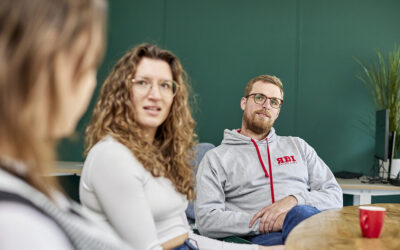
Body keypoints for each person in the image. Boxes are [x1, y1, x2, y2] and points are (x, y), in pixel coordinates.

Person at [80, 44, 284, 250]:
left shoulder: (163, 156)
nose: (155, 94)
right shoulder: (112, 156)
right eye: (142, 83)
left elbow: (185, 236)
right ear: (122, 92)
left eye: (165, 85)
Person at [0, 0, 130, 249]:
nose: (92, 84)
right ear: (49, 57)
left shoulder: (24, 182)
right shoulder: (17, 225)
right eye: (90, 64)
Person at [195, 75, 343, 246]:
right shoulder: (216, 158)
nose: (266, 105)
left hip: (308, 227)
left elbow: (334, 195)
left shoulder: (298, 146)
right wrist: (272, 221)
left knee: (301, 213)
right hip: (260, 238)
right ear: (244, 103)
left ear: (278, 111)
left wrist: (294, 200)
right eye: (259, 98)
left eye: (274, 102)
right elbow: (207, 220)